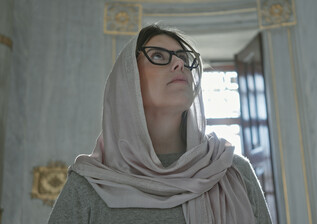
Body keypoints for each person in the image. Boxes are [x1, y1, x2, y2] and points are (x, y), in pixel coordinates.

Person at [48, 24, 272, 224]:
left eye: (184, 59)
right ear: (128, 80)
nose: (179, 64)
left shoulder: (232, 171)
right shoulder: (89, 185)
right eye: (157, 55)